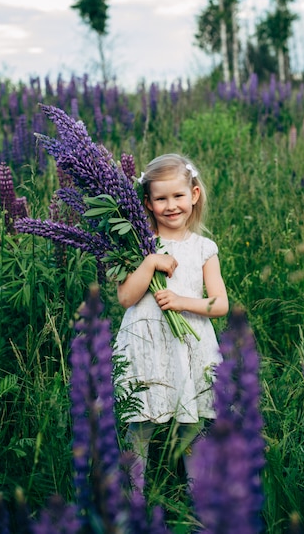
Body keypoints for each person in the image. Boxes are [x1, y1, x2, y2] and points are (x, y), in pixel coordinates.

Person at [115, 153, 229, 489]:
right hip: (146, 344)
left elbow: (220, 303)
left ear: (194, 195)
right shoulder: (137, 246)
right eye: (161, 198)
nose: (171, 206)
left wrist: (182, 302)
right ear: (147, 204)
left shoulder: (204, 248)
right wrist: (149, 262)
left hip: (188, 343)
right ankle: (133, 498)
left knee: (192, 425)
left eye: (178, 196)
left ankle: (198, 499)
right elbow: (126, 298)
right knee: (140, 422)